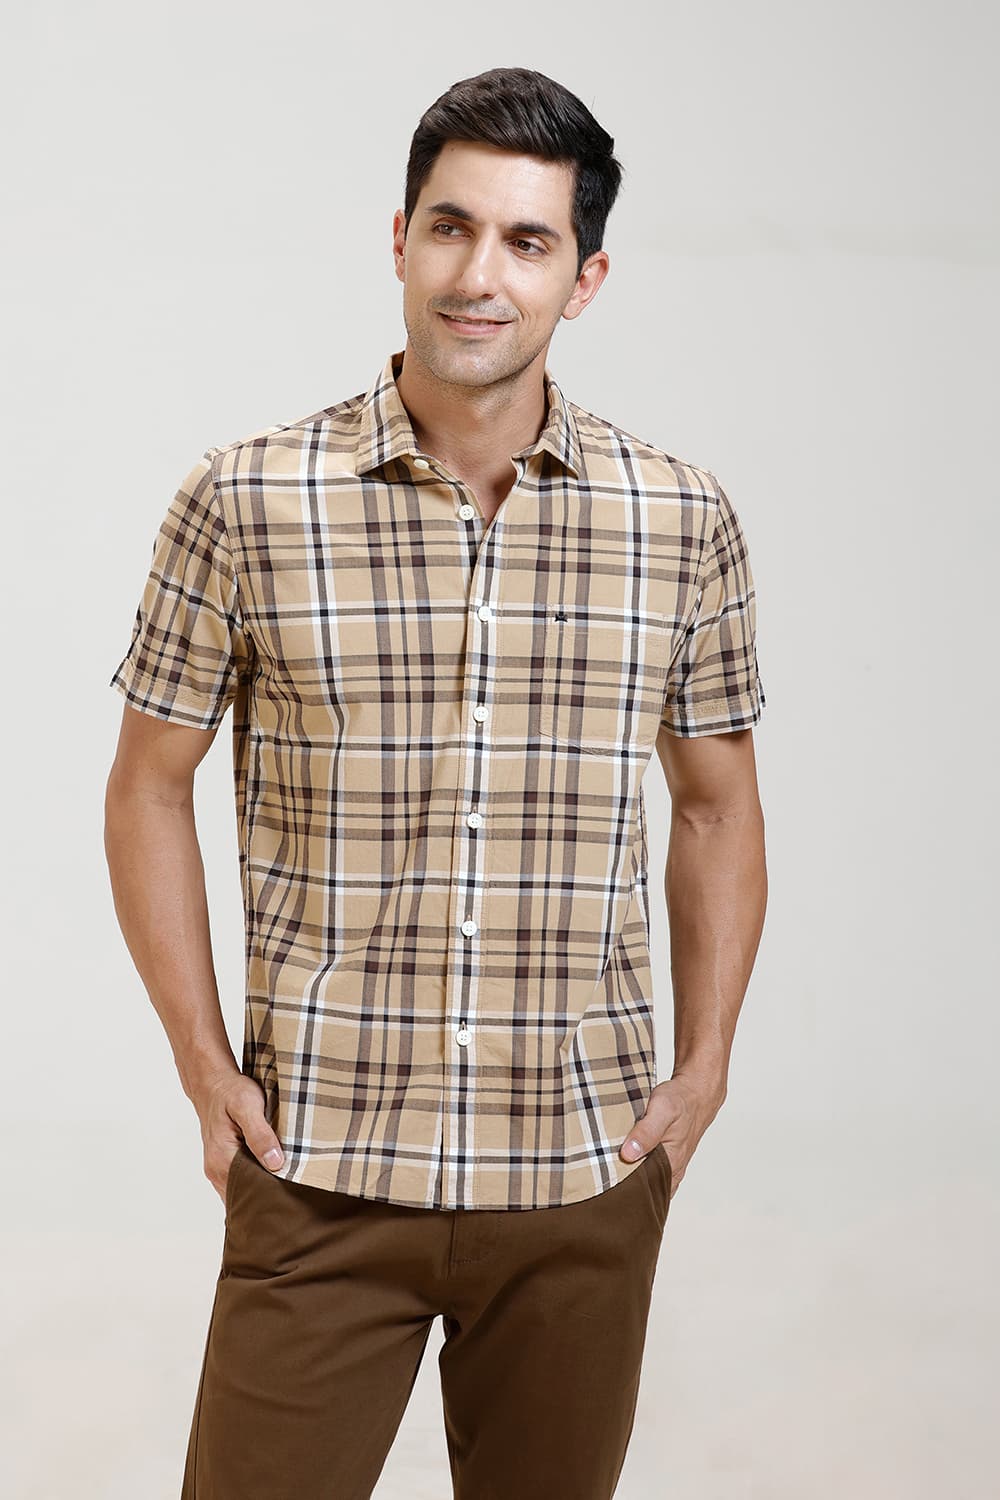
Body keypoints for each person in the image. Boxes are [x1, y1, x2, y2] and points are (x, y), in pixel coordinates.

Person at [104, 65, 768, 1500]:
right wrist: (203, 1065)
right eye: (452, 228)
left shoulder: (680, 519)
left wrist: (705, 1066)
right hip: (321, 1168)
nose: (480, 275)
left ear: (585, 279)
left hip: (582, 1179)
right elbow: (148, 785)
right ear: (399, 239)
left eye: (528, 242)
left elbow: (718, 805)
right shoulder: (247, 499)